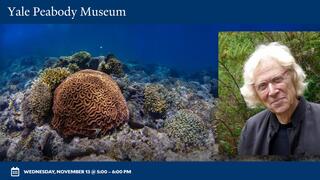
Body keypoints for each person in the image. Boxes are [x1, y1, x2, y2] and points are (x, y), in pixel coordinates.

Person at [238, 42, 320, 156]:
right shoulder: (252, 129)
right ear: (255, 92)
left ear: (293, 76)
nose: (272, 92)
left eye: (277, 80)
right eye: (263, 86)